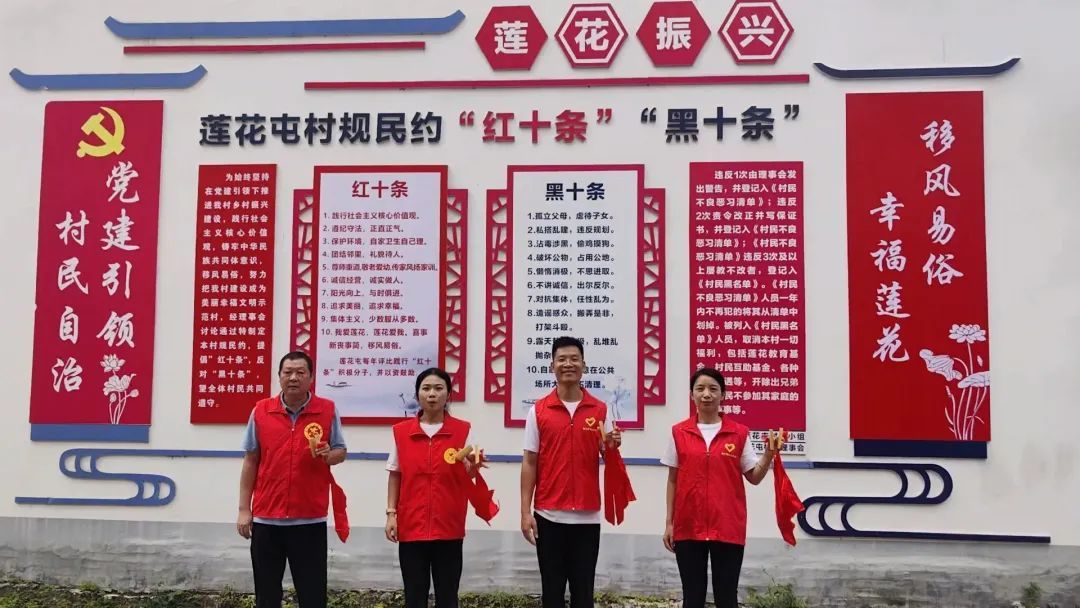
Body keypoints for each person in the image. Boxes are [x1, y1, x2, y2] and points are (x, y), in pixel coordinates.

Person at [660, 367, 781, 608]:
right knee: (692, 597)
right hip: (689, 526)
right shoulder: (679, 432)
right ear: (692, 395)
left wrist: (769, 454)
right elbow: (673, 479)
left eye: (713, 389)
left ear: (723, 395)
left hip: (727, 526)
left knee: (726, 597)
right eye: (700, 389)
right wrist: (669, 523)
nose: (706, 394)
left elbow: (754, 477)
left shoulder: (738, 433)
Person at [236, 351, 348, 608]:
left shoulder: (327, 410)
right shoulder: (261, 411)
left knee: (312, 595)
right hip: (267, 518)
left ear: (311, 378)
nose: (294, 378)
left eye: (300, 372)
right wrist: (244, 509)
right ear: (279, 377)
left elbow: (340, 452)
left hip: (309, 519)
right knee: (266, 595)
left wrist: (328, 455)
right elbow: (251, 460)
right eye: (288, 372)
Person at [520, 336, 622, 608]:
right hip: (548, 515)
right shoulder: (538, 411)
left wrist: (612, 446)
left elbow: (609, 455)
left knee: (583, 593)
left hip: (587, 517)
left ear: (584, 366)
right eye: (562, 359)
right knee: (552, 593)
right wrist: (525, 512)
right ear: (552, 366)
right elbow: (530, 462)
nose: (568, 364)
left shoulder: (600, 410)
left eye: (574, 359)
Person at [385, 367, 498, 608]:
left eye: (438, 388)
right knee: (414, 596)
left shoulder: (462, 430)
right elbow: (395, 474)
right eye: (426, 388)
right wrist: (391, 514)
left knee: (447, 596)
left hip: (449, 526)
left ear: (448, 395)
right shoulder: (401, 432)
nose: (432, 394)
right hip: (412, 525)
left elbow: (468, 475)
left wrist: (474, 467)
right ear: (417, 394)